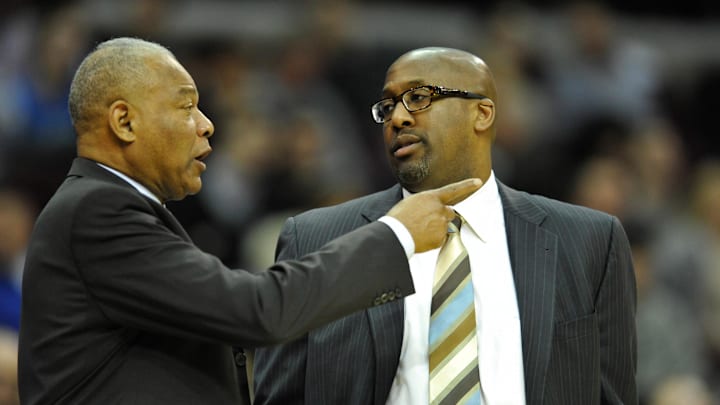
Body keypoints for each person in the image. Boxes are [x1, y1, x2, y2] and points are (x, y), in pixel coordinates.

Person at [17, 38, 482, 405]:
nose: (206, 124)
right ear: (124, 121)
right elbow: (256, 311)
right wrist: (395, 235)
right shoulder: (97, 211)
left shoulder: (108, 208)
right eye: (186, 106)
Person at [253, 47, 637, 404]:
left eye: (419, 98)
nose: (398, 118)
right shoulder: (318, 239)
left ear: (482, 113)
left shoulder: (589, 241)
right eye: (387, 107)